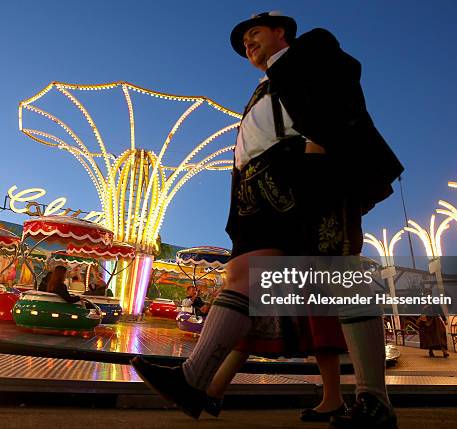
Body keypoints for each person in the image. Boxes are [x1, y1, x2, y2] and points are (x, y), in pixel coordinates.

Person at [131, 11, 403, 429]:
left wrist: (317, 153)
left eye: (253, 34)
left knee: (340, 273)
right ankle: (193, 379)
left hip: (303, 173)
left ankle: (373, 400)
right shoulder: (263, 85)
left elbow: (337, 90)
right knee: (240, 273)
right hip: (255, 189)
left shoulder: (312, 49)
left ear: (280, 33)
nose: (247, 44)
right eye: (243, 42)